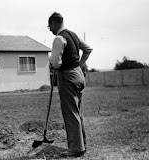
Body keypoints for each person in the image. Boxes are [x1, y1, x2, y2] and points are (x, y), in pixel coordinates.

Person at [48, 12, 93, 158]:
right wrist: (78, 65)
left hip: (67, 77)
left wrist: (56, 65)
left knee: (70, 113)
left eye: (50, 26)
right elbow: (87, 49)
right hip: (79, 75)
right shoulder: (73, 35)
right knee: (77, 112)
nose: (50, 29)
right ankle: (82, 145)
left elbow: (55, 63)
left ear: (54, 24)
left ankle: (75, 149)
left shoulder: (59, 38)